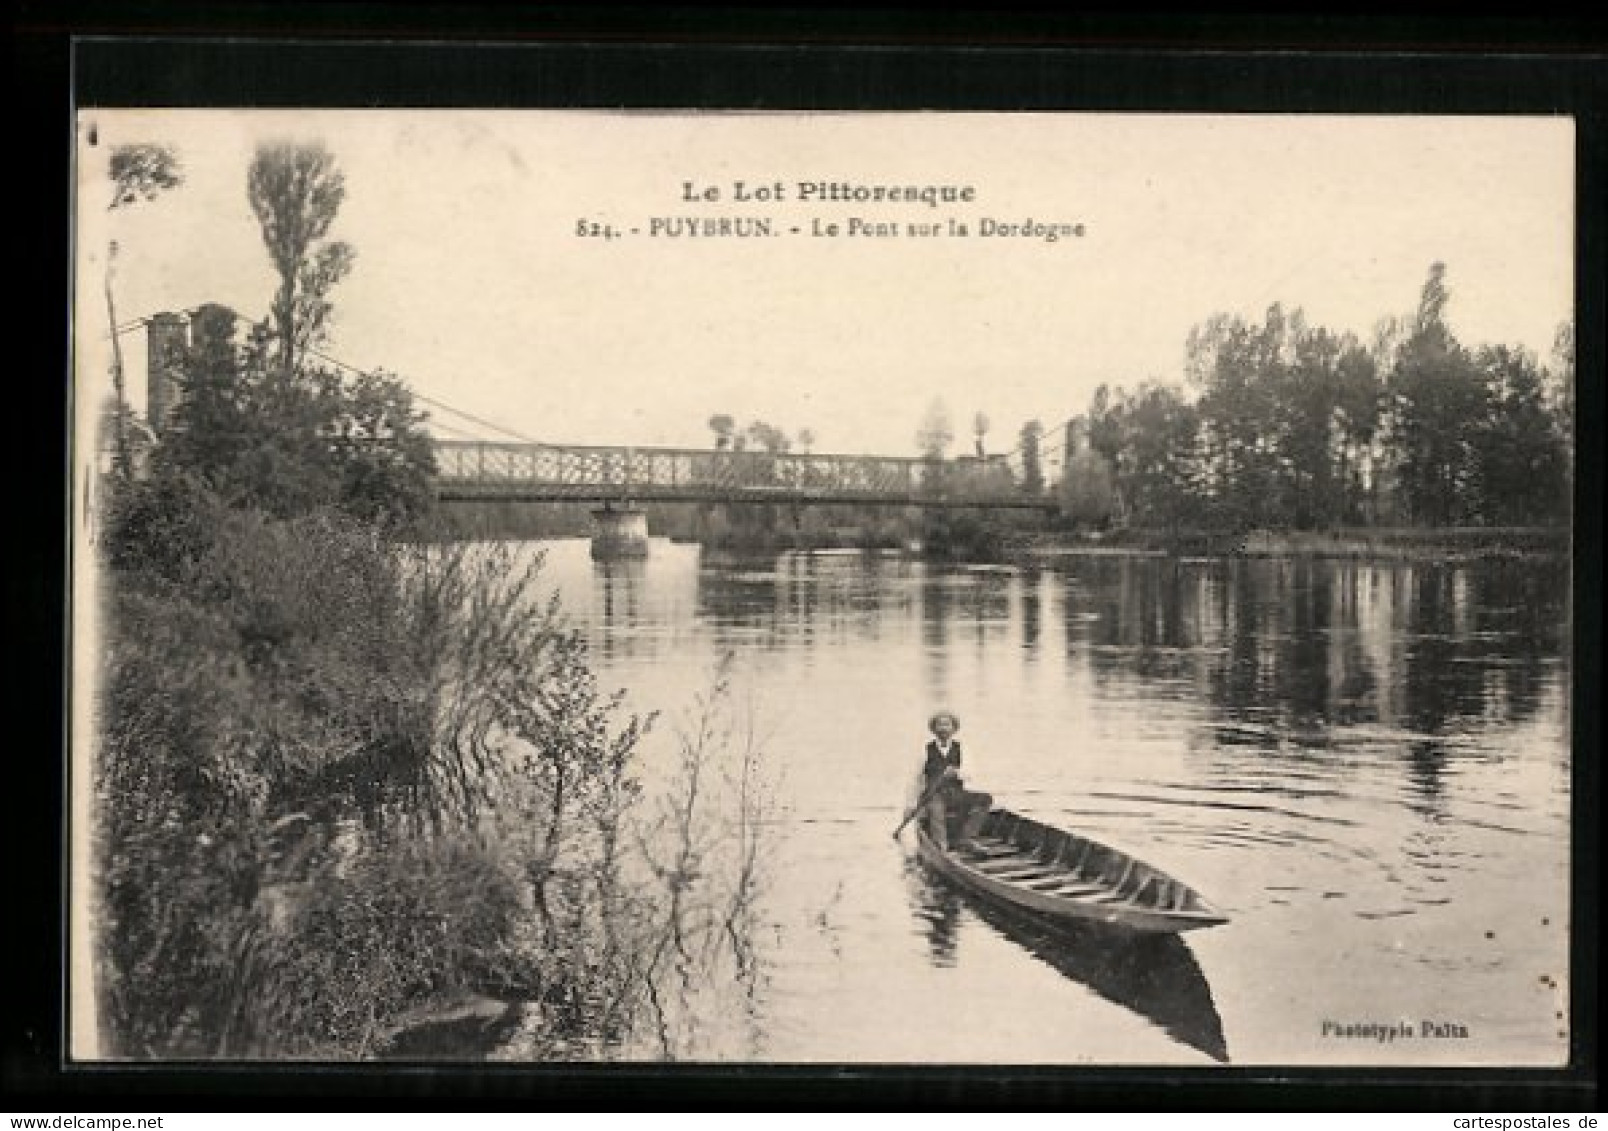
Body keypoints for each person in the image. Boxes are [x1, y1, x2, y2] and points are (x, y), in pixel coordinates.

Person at [919, 710, 993, 850]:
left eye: (947, 725)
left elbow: (970, 774)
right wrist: (912, 805)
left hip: (956, 794)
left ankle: (967, 838)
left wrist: (957, 773)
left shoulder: (962, 748)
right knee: (936, 811)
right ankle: (941, 846)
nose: (943, 728)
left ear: (953, 729)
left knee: (985, 799)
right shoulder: (924, 749)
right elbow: (915, 779)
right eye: (939, 725)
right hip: (934, 794)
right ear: (934, 729)